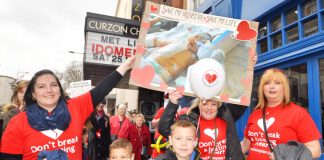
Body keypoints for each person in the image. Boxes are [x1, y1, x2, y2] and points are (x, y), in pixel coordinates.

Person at [0, 55, 135, 160]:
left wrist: (125, 66)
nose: (49, 90)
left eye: (54, 85)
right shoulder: (17, 123)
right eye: (41, 86)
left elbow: (100, 90)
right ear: (33, 94)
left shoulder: (75, 107)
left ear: (59, 89)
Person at [240, 68, 321, 160]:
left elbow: (316, 150)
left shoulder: (298, 113)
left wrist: (285, 156)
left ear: (284, 87)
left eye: (277, 83)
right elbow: (245, 144)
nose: (271, 86)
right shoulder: (255, 114)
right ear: (262, 88)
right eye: (267, 83)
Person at [158, 90, 246, 160]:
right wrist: (173, 103)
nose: (209, 108)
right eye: (205, 103)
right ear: (199, 105)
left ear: (218, 106)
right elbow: (164, 129)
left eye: (213, 104)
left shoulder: (227, 116)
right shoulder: (189, 119)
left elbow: (244, 96)